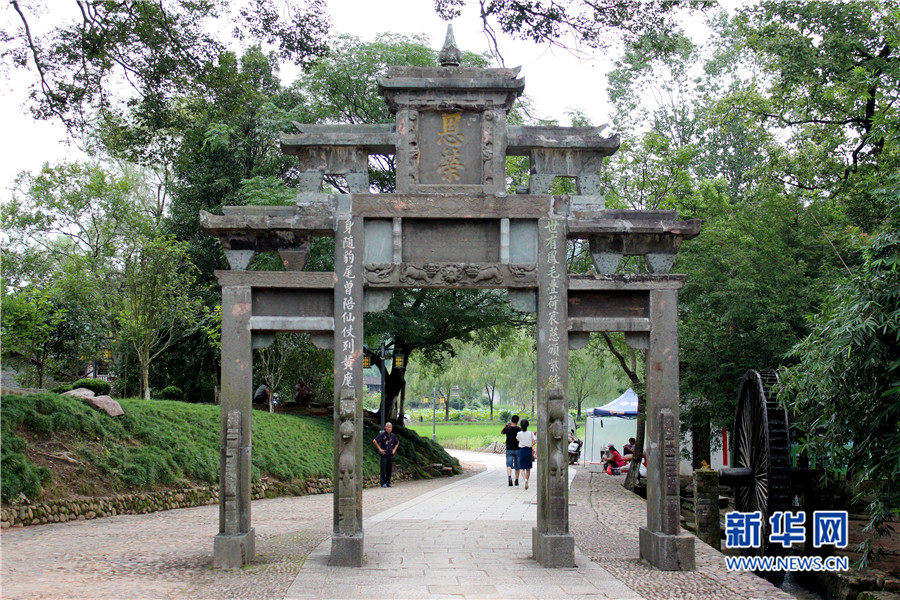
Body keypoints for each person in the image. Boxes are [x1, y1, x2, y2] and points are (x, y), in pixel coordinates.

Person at [373, 422, 399, 488]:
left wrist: (394, 450)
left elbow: (397, 442)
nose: (390, 429)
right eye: (388, 427)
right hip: (384, 454)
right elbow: (375, 441)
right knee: (383, 469)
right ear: (385, 428)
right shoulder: (382, 435)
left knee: (389, 469)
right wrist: (380, 449)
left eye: (391, 427)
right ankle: (383, 482)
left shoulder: (393, 435)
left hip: (390, 454)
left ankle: (388, 482)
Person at [515, 419, 536, 490]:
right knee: (528, 468)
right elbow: (533, 442)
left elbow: (517, 440)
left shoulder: (519, 433)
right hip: (529, 450)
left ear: (521, 425)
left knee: (521, 468)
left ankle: (525, 479)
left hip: (522, 450)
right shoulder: (530, 433)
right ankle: (527, 480)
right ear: (527, 425)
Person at [501, 415, 521, 486]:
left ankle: (509, 477)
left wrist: (506, 426)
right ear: (517, 421)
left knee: (509, 464)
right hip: (517, 449)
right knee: (517, 465)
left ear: (511, 420)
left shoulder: (507, 429)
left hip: (509, 449)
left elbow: (502, 432)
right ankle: (516, 480)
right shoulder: (519, 429)